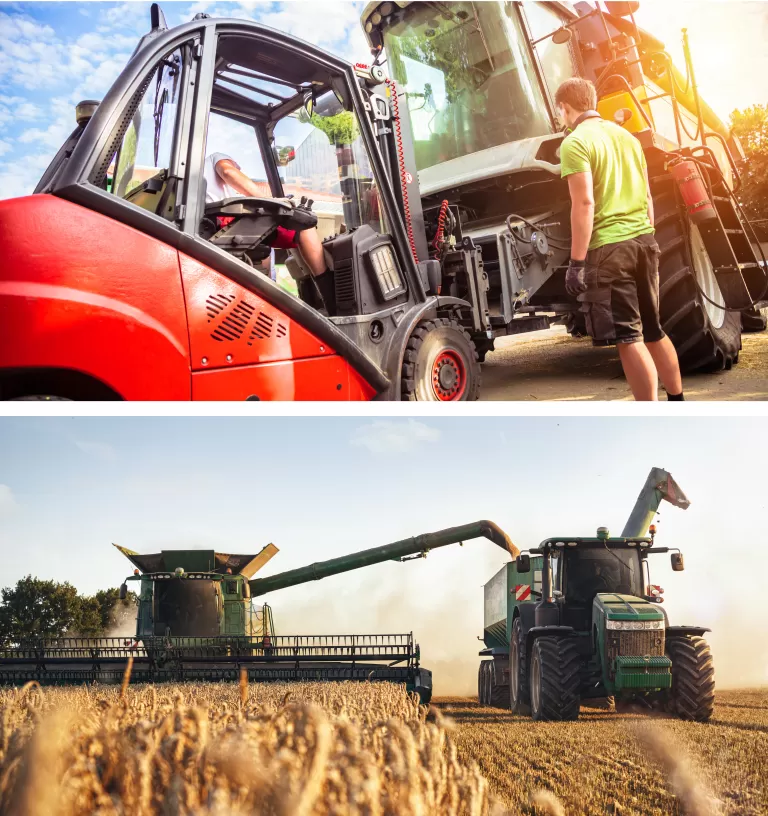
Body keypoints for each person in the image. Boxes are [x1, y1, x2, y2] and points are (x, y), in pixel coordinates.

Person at [556, 78, 685, 401]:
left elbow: (584, 204)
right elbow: (647, 195)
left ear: (564, 107)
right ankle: (678, 402)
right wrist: (647, 237)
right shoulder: (627, 138)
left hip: (612, 251)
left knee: (629, 337)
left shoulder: (575, 143)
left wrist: (576, 263)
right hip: (644, 241)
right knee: (654, 331)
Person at [204, 152, 335, 311]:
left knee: (265, 242)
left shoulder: (201, 178)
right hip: (222, 223)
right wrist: (272, 204)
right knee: (303, 226)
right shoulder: (217, 157)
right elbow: (228, 172)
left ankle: (297, 296)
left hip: (214, 223)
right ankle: (330, 295)